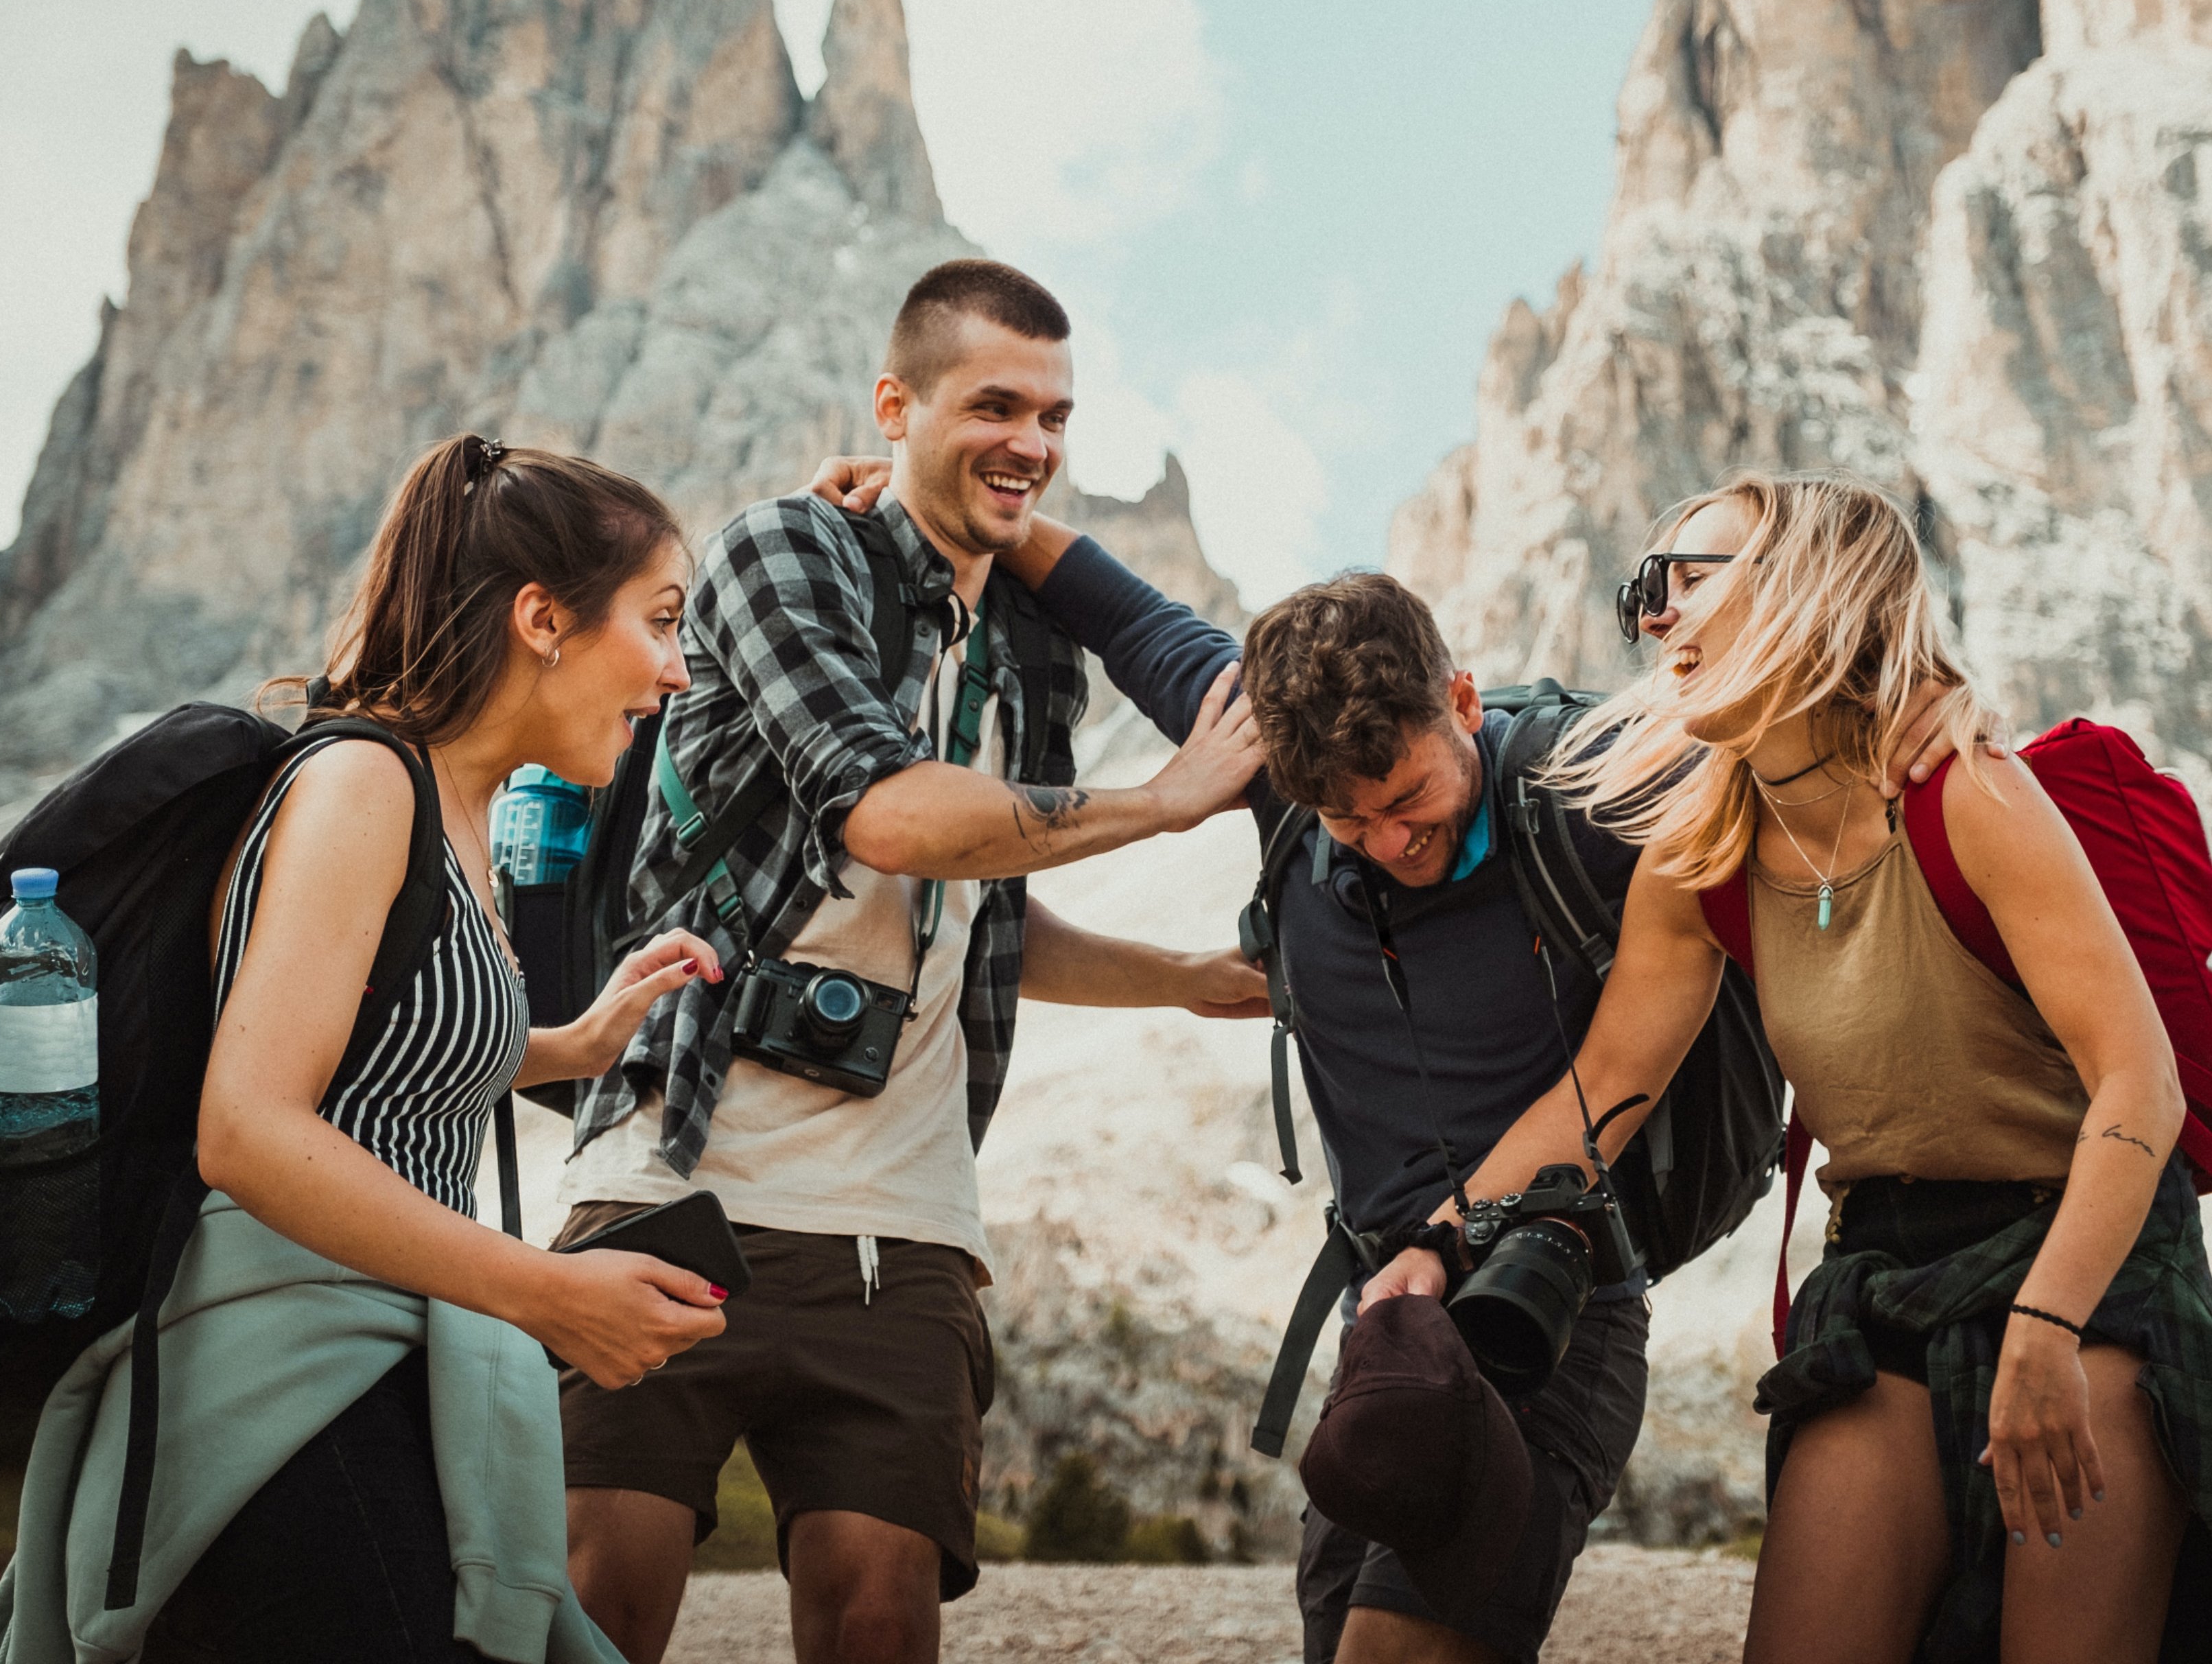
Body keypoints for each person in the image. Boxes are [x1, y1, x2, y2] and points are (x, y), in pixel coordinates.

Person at [801, 461, 1970, 1664]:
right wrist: (928, 491)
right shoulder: (1283, 778)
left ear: (1463, 700)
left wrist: (1924, 703)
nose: (1391, 840)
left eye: (1410, 797)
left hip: (1551, 1307)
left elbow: (1800, 731)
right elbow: (1115, 607)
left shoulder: (1589, 789)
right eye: (1351, 821)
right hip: (1394, 1327)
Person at [555, 260, 1269, 1664]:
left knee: (881, 1622)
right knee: (594, 1608)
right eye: (994, 404)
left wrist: (1184, 977)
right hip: (677, 1172)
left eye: (1057, 415)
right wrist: (1163, 803)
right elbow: (887, 814)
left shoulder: (1033, 652)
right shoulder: (781, 555)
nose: (1035, 441)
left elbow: (987, 911)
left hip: (907, 1220)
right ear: (896, 404)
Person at [1391, 472, 2212, 1664]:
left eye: (1685, 581)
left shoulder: (1966, 792)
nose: (1653, 617)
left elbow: (2142, 1082)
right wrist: (1436, 1239)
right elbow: (1606, 1085)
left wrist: (2049, 1321)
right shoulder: (1704, 852)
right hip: (1882, 1271)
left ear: (1807, 588)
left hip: (2085, 1265)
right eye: (1644, 591)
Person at [0, 434, 739, 1664]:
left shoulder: (453, 807)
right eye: (658, 623)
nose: (675, 670)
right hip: (286, 1386)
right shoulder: (361, 782)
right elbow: (250, 1128)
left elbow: (373, 1060)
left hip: (383, 1355)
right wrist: (550, 1295)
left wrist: (574, 1040)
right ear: (543, 618)